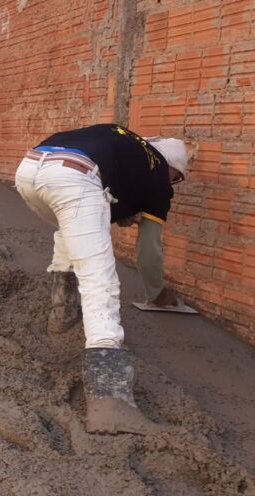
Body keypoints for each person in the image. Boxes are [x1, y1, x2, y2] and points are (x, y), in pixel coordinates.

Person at [14, 124, 188, 436]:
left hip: (29, 170)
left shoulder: (127, 140)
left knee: (71, 230)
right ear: (171, 168)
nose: (174, 184)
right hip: (76, 177)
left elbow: (100, 192)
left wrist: (113, 212)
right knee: (99, 278)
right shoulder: (160, 176)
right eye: (177, 178)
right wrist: (157, 293)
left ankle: (62, 315)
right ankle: (110, 402)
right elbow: (148, 249)